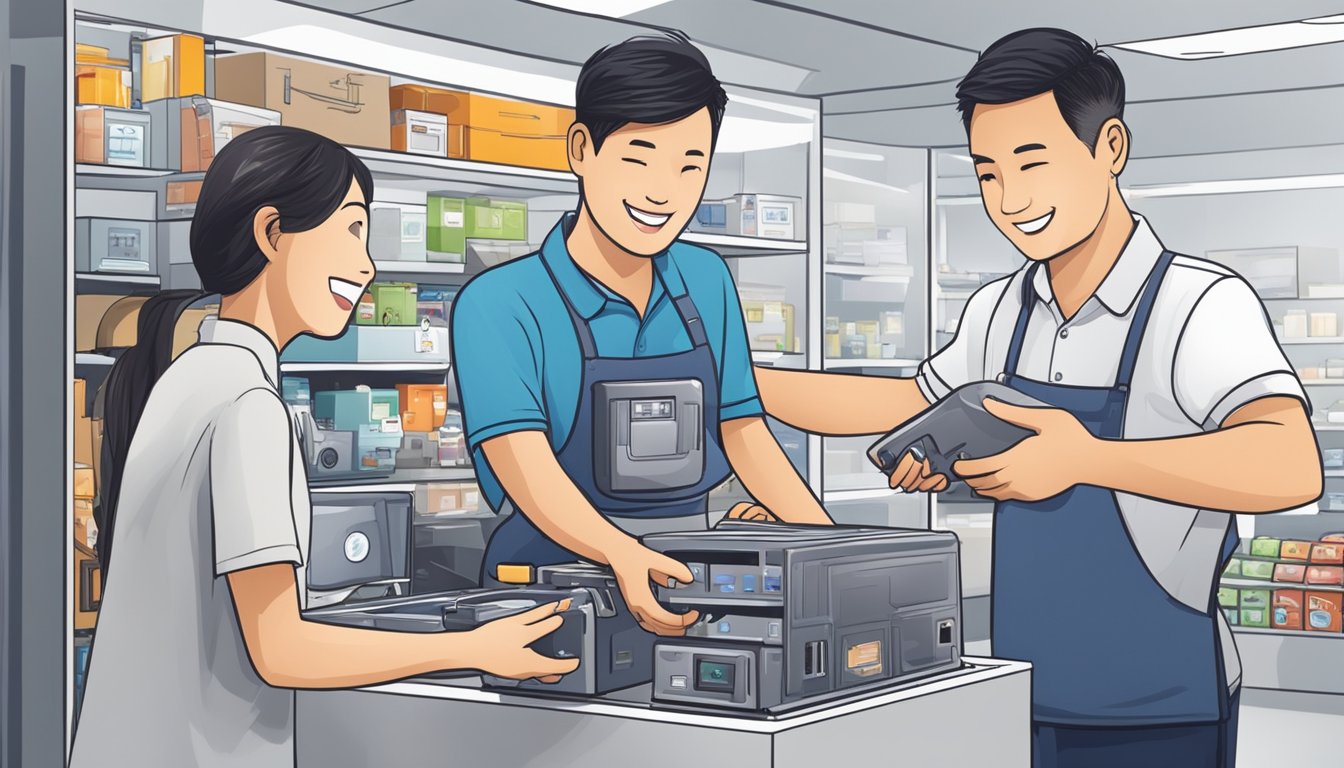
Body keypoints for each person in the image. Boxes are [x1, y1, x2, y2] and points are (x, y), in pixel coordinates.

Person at [754, 28, 1321, 768]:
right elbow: (897, 404)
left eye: (1033, 162)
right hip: (1022, 685)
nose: (1010, 200)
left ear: (1110, 146)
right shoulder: (1001, 308)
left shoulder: (1198, 304)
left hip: (1160, 698)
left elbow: (1289, 463)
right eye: (988, 173)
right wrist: (741, 379)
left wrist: (1085, 459)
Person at [70, 126, 577, 768]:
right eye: (351, 229)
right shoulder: (250, 408)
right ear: (272, 233)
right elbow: (280, 650)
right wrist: (474, 647)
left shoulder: (187, 377)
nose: (367, 266)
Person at [451, 32, 831, 637]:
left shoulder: (705, 281)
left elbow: (743, 430)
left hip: (686, 581)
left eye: (691, 165)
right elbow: (526, 468)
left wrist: (828, 551)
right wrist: (619, 553)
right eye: (639, 158)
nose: (664, 192)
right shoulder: (500, 303)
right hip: (552, 595)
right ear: (581, 149)